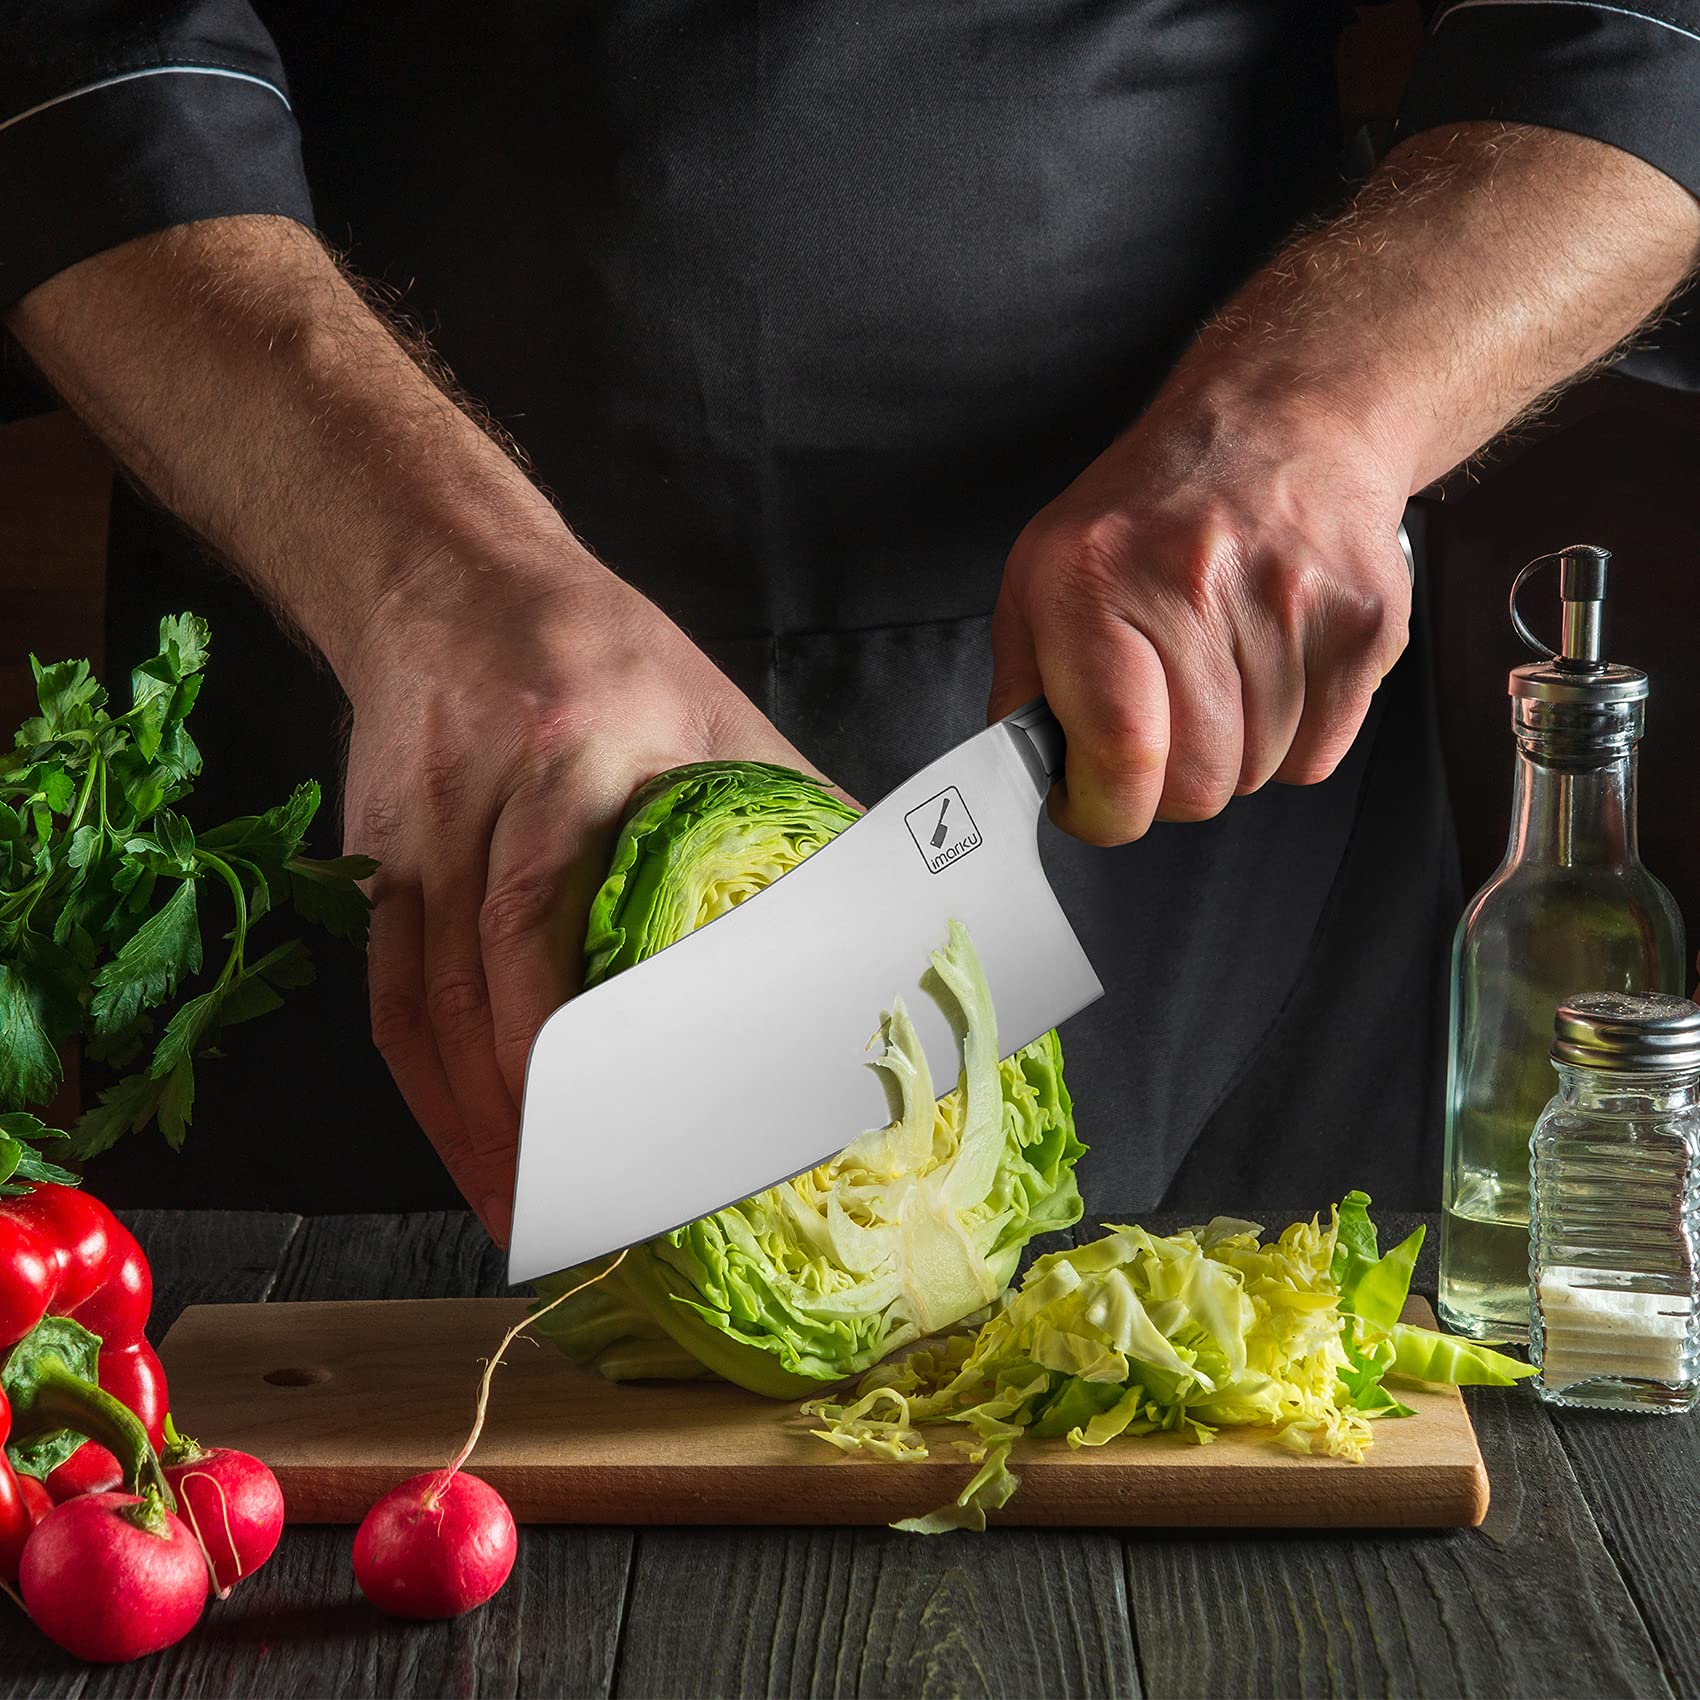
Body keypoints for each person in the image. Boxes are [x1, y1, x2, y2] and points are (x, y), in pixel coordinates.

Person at [3, 3, 1697, 1233]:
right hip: (375, 678)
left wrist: (1316, 412)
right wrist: (424, 571)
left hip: (1194, 745)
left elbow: (1623, 30)